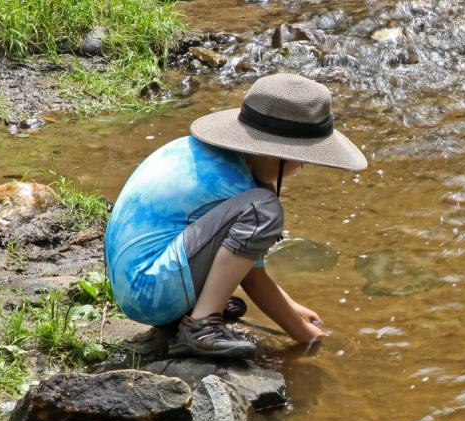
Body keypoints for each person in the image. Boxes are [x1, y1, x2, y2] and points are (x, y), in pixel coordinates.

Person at [104, 73, 367, 359]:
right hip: (150, 293)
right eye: (302, 157)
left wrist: (291, 307)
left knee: (259, 208)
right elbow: (253, 281)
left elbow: (247, 266)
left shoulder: (213, 160)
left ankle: (198, 308)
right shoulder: (245, 193)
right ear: (277, 152)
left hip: (135, 284)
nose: (302, 166)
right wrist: (307, 337)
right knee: (265, 209)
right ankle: (201, 326)